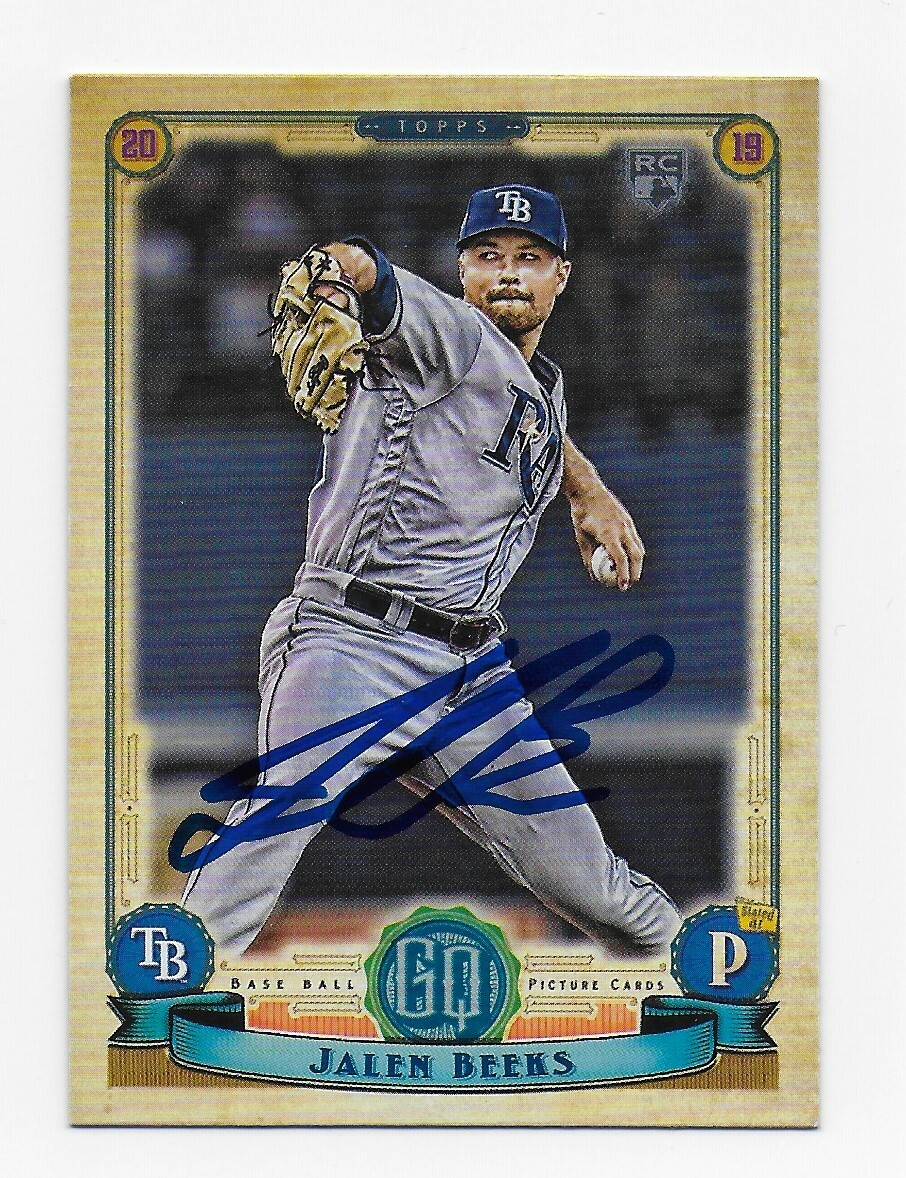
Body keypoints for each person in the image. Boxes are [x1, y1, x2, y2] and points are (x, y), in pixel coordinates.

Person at [180, 183, 679, 957]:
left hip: (473, 672)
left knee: (595, 887)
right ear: (462, 270)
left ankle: (711, 979)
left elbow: (527, 410)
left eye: (529, 258)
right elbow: (364, 267)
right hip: (353, 644)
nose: (507, 272)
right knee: (274, 822)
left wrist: (586, 486)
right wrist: (333, 274)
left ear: (561, 276)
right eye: (489, 255)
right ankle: (160, 990)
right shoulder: (449, 333)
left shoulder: (542, 383)